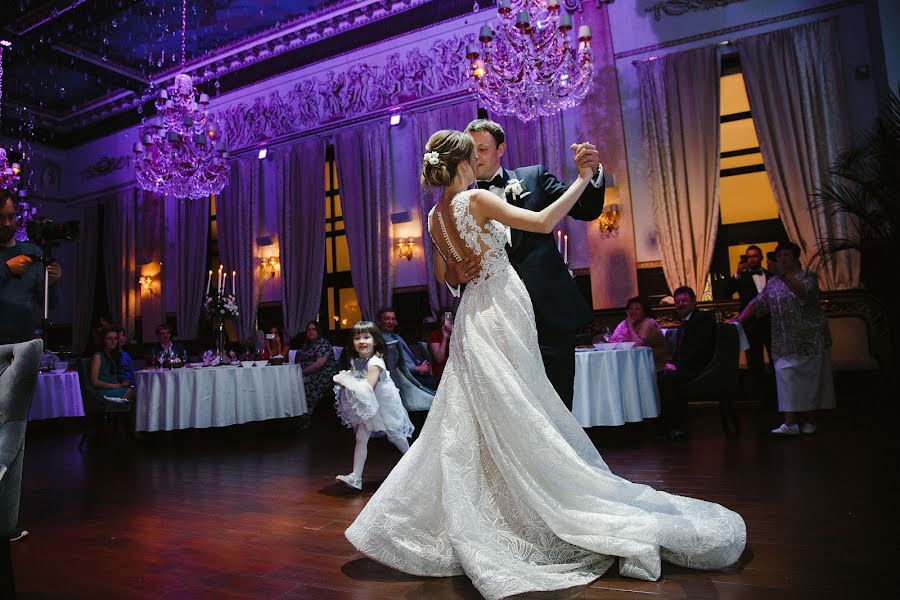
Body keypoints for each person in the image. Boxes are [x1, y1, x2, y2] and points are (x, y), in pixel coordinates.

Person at [344, 130, 745, 599]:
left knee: (479, 410)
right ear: (462, 165)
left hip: (472, 313)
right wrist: (584, 177)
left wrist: (466, 265)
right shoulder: (475, 198)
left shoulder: (433, 216)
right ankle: (536, 502)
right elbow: (543, 220)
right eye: (473, 157)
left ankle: (501, 504)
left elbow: (446, 275)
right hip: (504, 308)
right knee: (522, 404)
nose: (478, 163)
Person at [450, 119, 605, 410]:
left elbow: (587, 209)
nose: (476, 157)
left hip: (548, 311)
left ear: (501, 149)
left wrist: (591, 174)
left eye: (483, 149)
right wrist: (454, 277)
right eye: (470, 150)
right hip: (496, 318)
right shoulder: (459, 204)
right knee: (511, 407)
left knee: (557, 401)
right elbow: (450, 262)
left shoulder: (532, 177)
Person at [733, 241, 835, 435]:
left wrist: (782, 274)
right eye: (779, 256)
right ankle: (790, 423)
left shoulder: (808, 277)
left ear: (796, 258)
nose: (781, 259)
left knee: (809, 382)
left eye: (786, 256)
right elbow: (758, 303)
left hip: (809, 338)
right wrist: (738, 320)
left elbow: (803, 293)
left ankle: (809, 420)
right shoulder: (773, 282)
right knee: (786, 380)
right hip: (783, 339)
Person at [332, 321, 413, 490]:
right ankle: (356, 477)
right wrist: (349, 378)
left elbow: (368, 387)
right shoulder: (357, 361)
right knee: (361, 437)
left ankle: (416, 465)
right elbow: (359, 379)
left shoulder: (375, 362)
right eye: (357, 337)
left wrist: (347, 381)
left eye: (366, 337)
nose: (362, 341)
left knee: (395, 436)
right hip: (370, 405)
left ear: (375, 340)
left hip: (384, 404)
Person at [0, 189, 62, 345]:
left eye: (11, 216)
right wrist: (6, 269)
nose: (7, 223)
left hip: (24, 345)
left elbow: (50, 303)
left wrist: (53, 282)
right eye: (0, 217)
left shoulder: (33, 252)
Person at [656, 286, 717, 439]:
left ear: (694, 302)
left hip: (703, 370)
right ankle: (671, 425)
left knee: (666, 379)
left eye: (684, 301)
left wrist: (677, 365)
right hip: (690, 367)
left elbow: (699, 351)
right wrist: (672, 364)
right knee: (662, 376)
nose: (680, 304)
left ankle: (675, 427)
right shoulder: (688, 321)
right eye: (677, 302)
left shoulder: (702, 320)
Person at [721, 245, 772, 400]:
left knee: (775, 358)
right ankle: (760, 396)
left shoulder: (771, 275)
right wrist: (736, 273)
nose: (752, 259)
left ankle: (776, 395)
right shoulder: (741, 277)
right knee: (754, 362)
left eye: (755, 256)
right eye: (749, 256)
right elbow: (725, 293)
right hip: (751, 325)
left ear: (761, 257)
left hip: (770, 323)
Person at [376, 307, 439, 390]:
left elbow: (409, 357)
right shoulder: (381, 341)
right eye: (387, 319)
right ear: (379, 321)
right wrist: (417, 368)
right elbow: (393, 366)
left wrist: (422, 364)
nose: (391, 322)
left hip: (416, 371)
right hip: (406, 377)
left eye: (393, 319)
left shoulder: (396, 337)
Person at [608, 296, 669, 371]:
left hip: (654, 365)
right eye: (630, 308)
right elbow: (611, 341)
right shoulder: (624, 323)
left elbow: (638, 345)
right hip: (635, 363)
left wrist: (630, 327)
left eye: (637, 309)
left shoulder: (649, 323)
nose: (633, 311)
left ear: (644, 312)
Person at [295, 321, 339, 414]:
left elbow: (319, 364)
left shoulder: (323, 344)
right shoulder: (307, 345)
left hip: (323, 374)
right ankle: (294, 412)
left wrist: (302, 372)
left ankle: (306, 413)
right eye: (309, 330)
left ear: (318, 331)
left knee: (302, 381)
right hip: (310, 372)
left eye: (314, 329)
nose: (311, 332)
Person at [90, 327, 135, 402]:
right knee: (138, 392)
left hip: (115, 388)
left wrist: (122, 384)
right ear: (103, 340)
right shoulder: (98, 356)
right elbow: (94, 382)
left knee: (142, 389)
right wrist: (117, 386)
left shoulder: (114, 355)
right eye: (109, 339)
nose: (113, 341)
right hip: (103, 392)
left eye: (115, 339)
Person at [428, 311, 453, 378]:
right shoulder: (435, 334)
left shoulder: (457, 333)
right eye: (443, 316)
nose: (446, 318)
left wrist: (454, 334)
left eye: (448, 316)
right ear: (439, 319)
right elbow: (439, 359)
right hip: (441, 374)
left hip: (455, 370)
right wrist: (445, 337)